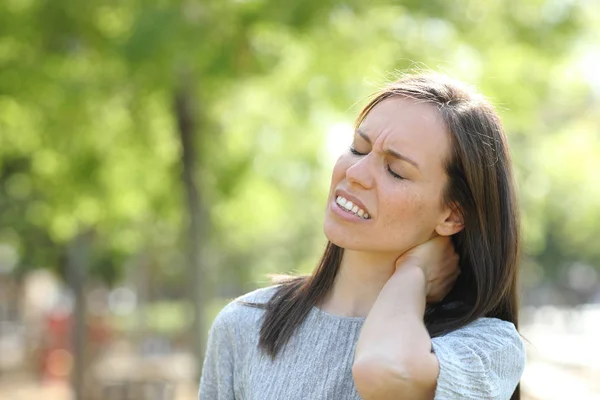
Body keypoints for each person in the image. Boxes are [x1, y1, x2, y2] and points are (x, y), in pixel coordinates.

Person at [198, 73, 526, 400]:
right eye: (358, 148)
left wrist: (414, 273)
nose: (354, 174)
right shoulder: (245, 325)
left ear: (452, 215)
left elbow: (386, 372)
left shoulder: (484, 348)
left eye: (395, 170)